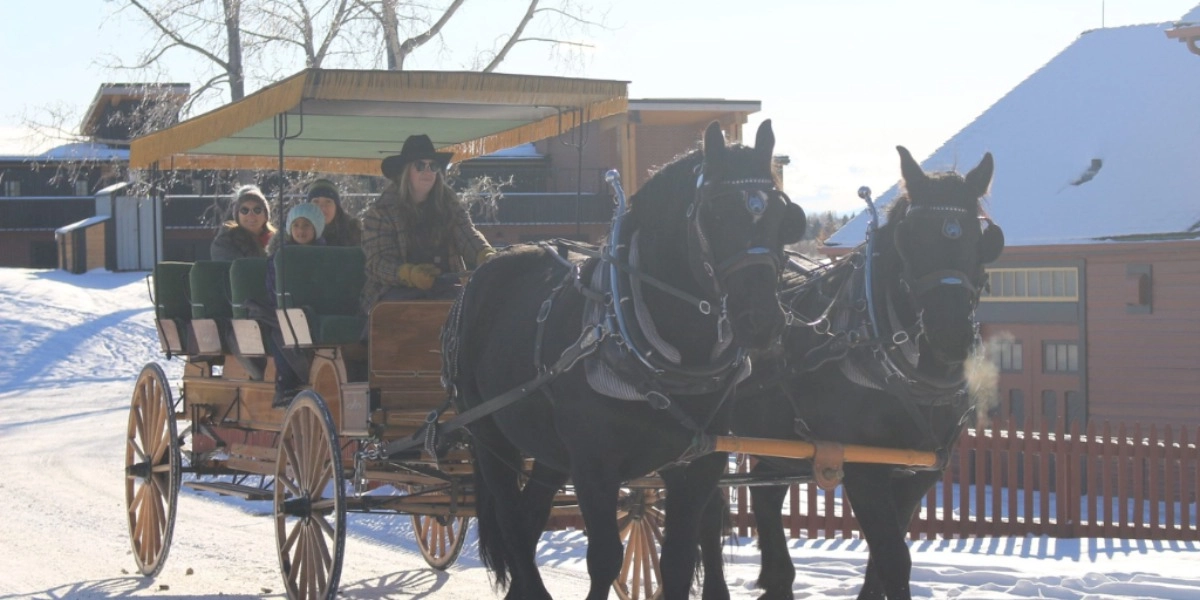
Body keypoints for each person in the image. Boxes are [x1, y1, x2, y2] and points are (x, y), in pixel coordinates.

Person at [360, 134, 495, 314]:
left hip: (446, 289)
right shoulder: (380, 212)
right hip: (394, 292)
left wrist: (485, 255)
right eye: (420, 165)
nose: (428, 171)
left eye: (433, 166)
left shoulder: (450, 205)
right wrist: (409, 274)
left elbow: (468, 236)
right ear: (405, 171)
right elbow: (377, 264)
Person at [265, 203, 326, 408]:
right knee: (279, 332)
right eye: (297, 225)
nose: (301, 230)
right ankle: (286, 383)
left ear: (316, 229)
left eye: (307, 225)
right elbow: (273, 287)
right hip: (287, 310)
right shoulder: (279, 258)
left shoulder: (327, 255)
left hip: (319, 308)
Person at [210, 185, 274, 261]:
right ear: (237, 216)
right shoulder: (225, 243)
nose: (251, 215)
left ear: (265, 215)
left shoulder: (278, 242)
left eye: (257, 210)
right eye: (245, 210)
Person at [306, 178, 362, 247]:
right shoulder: (297, 230)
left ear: (336, 207)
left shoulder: (352, 232)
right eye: (316, 202)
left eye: (328, 202)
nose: (322, 208)